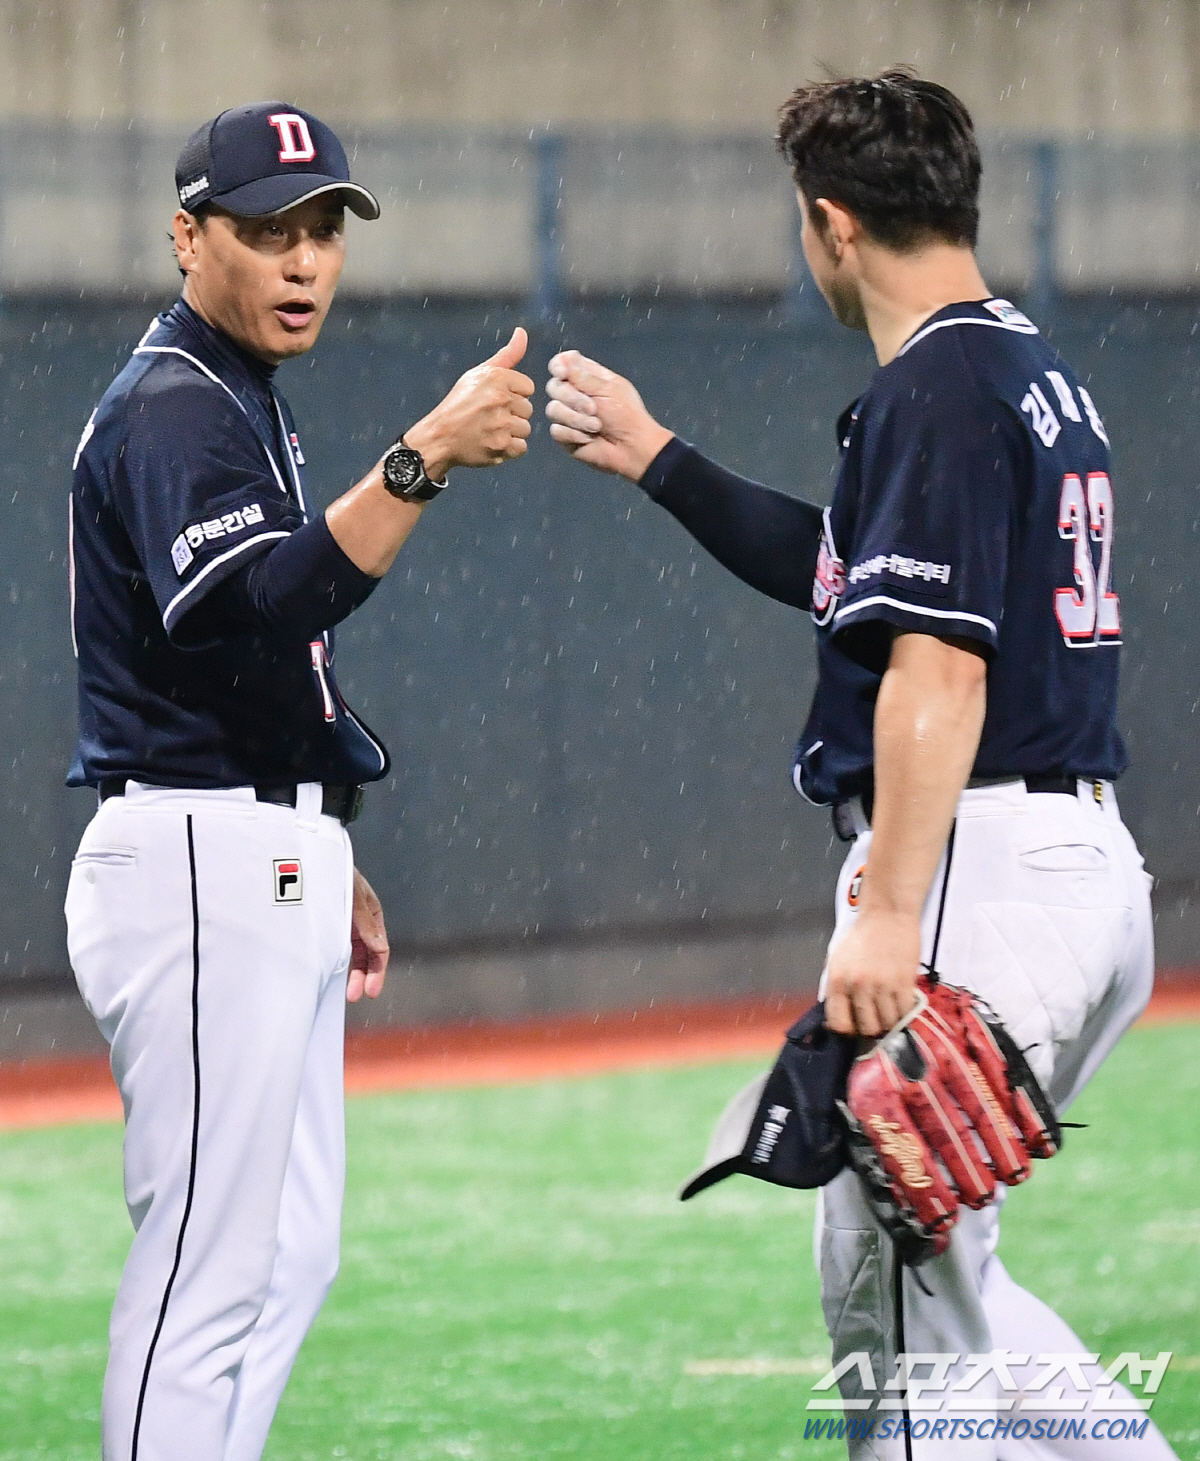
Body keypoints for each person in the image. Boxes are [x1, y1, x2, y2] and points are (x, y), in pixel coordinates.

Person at [545, 72, 1178, 1459]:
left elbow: (935, 670)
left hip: (979, 870)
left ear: (831, 225)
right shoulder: (1022, 365)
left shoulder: (939, 385)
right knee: (948, 1271)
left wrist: (888, 911)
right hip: (1077, 869)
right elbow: (853, 576)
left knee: (891, 1306)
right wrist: (661, 458)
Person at [65, 101, 534, 1461]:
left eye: (323, 228)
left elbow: (262, 668)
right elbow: (255, 608)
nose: (303, 260)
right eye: (269, 230)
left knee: (284, 1253)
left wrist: (327, 837)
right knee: (208, 1267)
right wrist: (423, 454)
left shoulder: (229, 399)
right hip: (193, 857)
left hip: (251, 843)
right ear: (187, 237)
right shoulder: (171, 405)